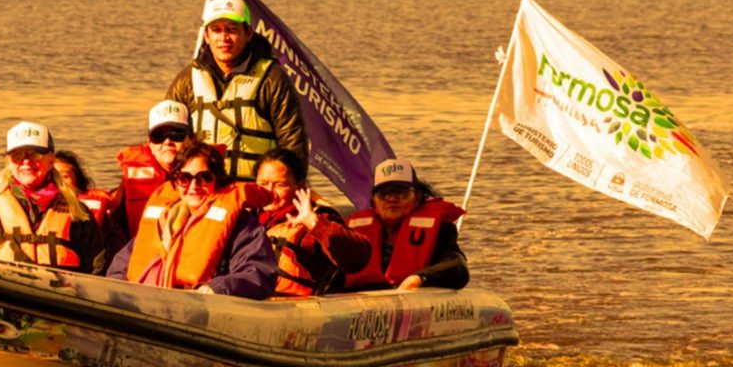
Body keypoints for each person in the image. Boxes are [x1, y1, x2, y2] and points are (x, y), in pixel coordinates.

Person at [107, 140, 277, 299]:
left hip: (205, 306)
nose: (194, 186)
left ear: (218, 180)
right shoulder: (164, 221)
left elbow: (258, 273)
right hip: (148, 302)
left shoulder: (242, 225)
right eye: (184, 178)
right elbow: (121, 265)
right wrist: (119, 291)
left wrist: (217, 288)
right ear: (175, 182)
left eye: (204, 178)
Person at [167, 0, 307, 182]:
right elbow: (166, 139)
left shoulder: (272, 78)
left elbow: (292, 140)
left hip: (254, 190)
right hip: (201, 188)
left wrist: (295, 184)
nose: (223, 38)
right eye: (216, 30)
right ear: (206, 36)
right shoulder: (186, 80)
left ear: (248, 33)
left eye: (232, 30)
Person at [0, 121, 106, 274]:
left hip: (61, 290)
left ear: (51, 160)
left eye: (35, 154)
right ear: (9, 162)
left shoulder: (77, 213)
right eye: (17, 155)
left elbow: (97, 269)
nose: (26, 161)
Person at [255, 148, 371, 296]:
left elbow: (358, 258)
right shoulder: (249, 217)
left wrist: (313, 222)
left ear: (299, 186)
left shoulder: (318, 217)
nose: (269, 191)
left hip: (295, 305)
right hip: (252, 301)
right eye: (263, 183)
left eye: (280, 185)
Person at [344, 158, 469, 292]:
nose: (392, 199)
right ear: (373, 200)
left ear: (417, 197)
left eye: (401, 193)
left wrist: (419, 278)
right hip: (361, 299)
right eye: (383, 194)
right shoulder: (353, 235)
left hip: (412, 296)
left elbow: (457, 266)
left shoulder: (440, 230)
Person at [111, 100, 191, 239]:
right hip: (141, 248)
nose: (167, 142)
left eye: (176, 135)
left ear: (191, 139)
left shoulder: (206, 177)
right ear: (150, 144)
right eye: (158, 136)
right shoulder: (130, 184)